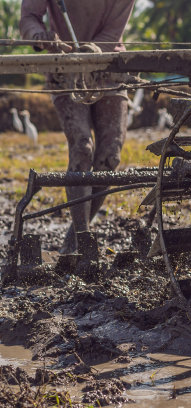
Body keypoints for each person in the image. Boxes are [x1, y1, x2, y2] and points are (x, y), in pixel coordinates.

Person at [20, 0, 136, 253]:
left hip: (109, 64)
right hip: (65, 66)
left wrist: (90, 49)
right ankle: (83, 240)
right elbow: (28, 16)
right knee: (82, 147)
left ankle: (75, 240)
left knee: (111, 153)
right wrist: (40, 36)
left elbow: (113, 31)